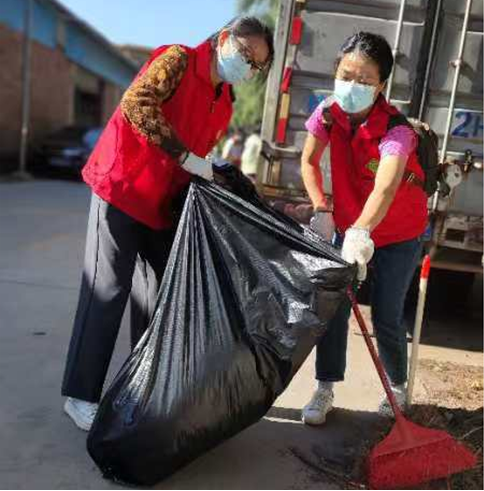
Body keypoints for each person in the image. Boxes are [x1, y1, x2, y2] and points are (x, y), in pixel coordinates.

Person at [61, 16, 274, 431]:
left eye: (256, 64)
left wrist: (213, 176)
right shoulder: (179, 60)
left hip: (160, 206)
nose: (247, 65)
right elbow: (137, 104)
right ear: (224, 39)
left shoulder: (224, 103)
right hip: (122, 186)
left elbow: (199, 159)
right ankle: (80, 395)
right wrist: (186, 157)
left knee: (158, 297)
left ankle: (143, 387)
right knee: (107, 290)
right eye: (245, 53)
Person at [300, 32, 427, 424]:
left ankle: (396, 389)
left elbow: (385, 186)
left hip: (399, 233)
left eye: (364, 79)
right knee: (334, 307)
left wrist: (361, 231)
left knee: (386, 315)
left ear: (381, 85)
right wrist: (322, 208)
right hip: (350, 225)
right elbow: (308, 162)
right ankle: (324, 387)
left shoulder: (397, 131)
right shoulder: (327, 114)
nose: (352, 85)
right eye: (346, 75)